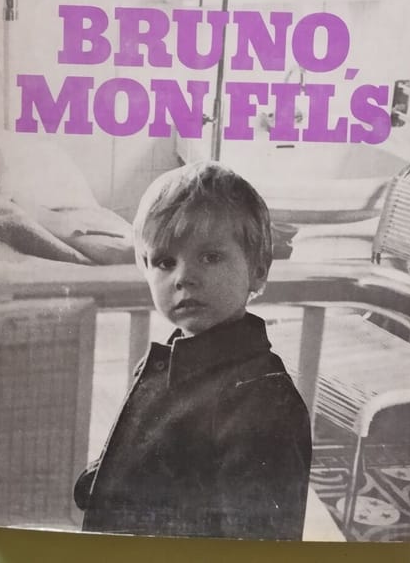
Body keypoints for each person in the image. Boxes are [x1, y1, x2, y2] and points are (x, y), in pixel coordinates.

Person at [74, 161, 311, 540]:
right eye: (165, 262)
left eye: (210, 256)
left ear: (258, 269)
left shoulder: (262, 401)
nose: (183, 276)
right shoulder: (168, 360)